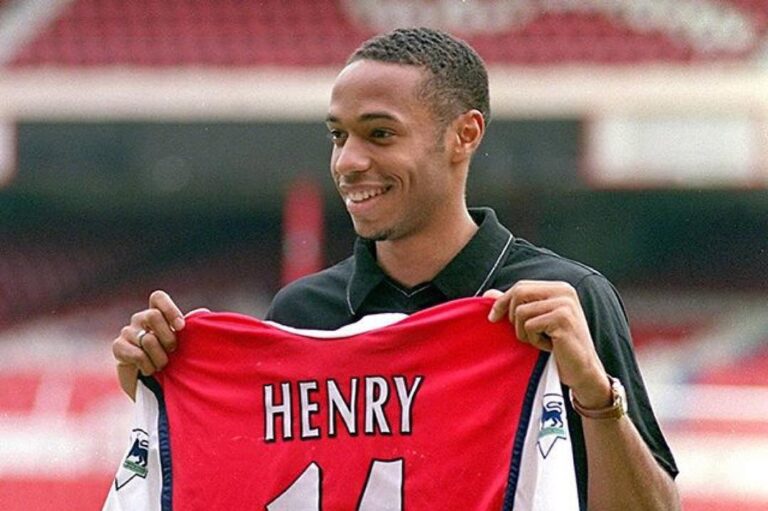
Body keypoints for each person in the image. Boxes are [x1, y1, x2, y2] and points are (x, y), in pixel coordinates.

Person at [112, 27, 680, 510]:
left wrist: (596, 397)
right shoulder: (303, 312)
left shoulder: (566, 300)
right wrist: (163, 390)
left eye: (380, 134)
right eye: (338, 136)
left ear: (465, 135)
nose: (349, 162)